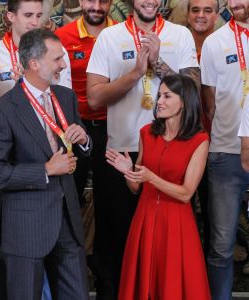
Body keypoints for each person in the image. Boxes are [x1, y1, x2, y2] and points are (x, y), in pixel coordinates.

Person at [87, 0, 199, 295]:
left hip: (171, 149)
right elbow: (95, 98)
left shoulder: (180, 34)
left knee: (164, 238)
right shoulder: (109, 37)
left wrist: (159, 63)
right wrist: (136, 72)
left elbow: (194, 91)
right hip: (123, 151)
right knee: (117, 238)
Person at [0, 28, 91, 300]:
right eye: (57, 59)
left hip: (68, 223)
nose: (64, 64)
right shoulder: (3, 110)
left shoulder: (66, 97)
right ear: (34, 64)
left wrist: (85, 139)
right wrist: (45, 170)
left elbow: (82, 147)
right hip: (26, 229)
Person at [106, 74, 210, 300]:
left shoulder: (199, 140)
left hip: (177, 224)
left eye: (167, 96)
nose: (159, 101)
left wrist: (151, 178)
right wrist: (128, 171)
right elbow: (136, 187)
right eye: (159, 95)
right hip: (145, 218)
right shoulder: (146, 132)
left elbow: (186, 193)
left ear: (184, 101)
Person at [55, 1, 116, 297]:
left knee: (109, 204)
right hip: (72, 131)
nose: (96, 5)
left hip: (111, 130)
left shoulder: (120, 34)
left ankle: (106, 279)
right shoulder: (62, 36)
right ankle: (72, 275)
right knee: (69, 203)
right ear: (80, 2)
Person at [200, 0, 249, 299]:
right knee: (220, 246)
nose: (236, 3)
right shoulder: (215, 42)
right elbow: (209, 102)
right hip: (226, 154)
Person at [0, 0, 71, 106]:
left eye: (38, 16)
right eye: (28, 15)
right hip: (8, 122)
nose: (35, 22)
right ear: (11, 16)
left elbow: (65, 100)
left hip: (50, 121)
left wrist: (35, 84)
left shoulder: (58, 52)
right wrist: (19, 94)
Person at [187, 0, 219, 258]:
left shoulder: (226, 44)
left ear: (217, 15)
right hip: (182, 141)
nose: (201, 15)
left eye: (208, 10)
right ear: (187, 15)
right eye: (195, 10)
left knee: (212, 212)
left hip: (216, 142)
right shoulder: (178, 44)